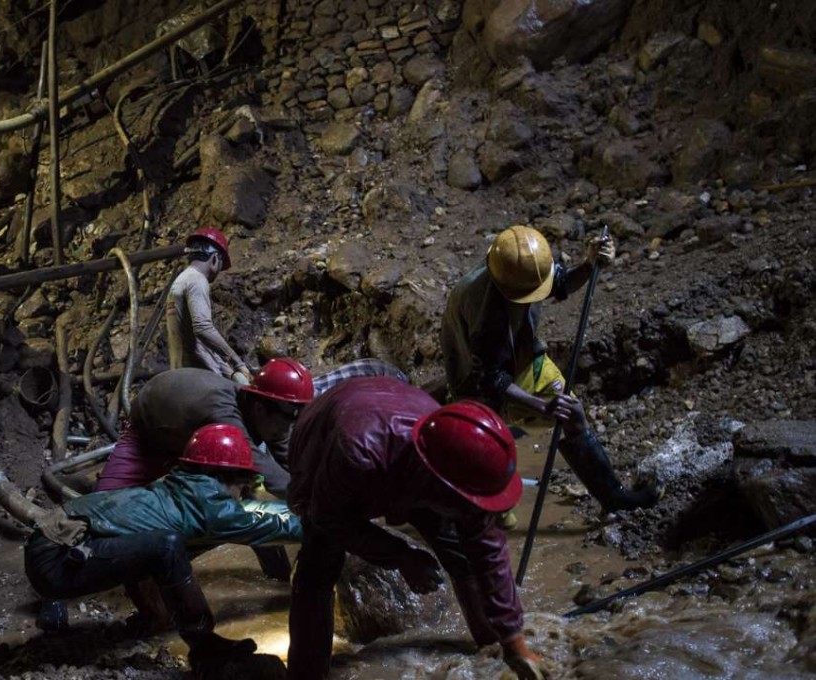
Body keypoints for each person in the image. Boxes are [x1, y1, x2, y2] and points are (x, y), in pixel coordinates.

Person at [286, 377, 548, 680]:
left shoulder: (462, 458)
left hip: (404, 443)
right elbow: (327, 518)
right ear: (444, 486)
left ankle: (490, 648)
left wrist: (514, 642)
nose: (471, 512)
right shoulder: (359, 454)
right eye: (466, 503)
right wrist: (400, 556)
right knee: (317, 566)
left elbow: (488, 550)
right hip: (329, 443)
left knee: (463, 554)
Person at [27, 424, 302, 674]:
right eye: (244, 486)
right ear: (227, 476)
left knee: (159, 544)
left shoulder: (176, 485)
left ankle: (154, 620)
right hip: (56, 560)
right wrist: (330, 522)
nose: (243, 495)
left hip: (54, 541)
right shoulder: (211, 508)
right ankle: (205, 648)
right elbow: (277, 527)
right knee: (166, 546)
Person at [441, 224, 659, 513]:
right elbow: (491, 379)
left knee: (573, 412)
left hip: (523, 360)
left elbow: (561, 282)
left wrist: (589, 264)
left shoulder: (517, 265)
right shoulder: (486, 313)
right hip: (481, 383)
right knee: (491, 500)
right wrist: (542, 407)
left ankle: (613, 497)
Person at [96, 357, 314, 497]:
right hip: (148, 433)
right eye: (287, 419)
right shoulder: (222, 413)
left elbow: (287, 456)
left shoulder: (266, 412)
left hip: (190, 436)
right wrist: (313, 501)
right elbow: (264, 468)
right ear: (260, 409)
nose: (288, 429)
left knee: (245, 499)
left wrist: (314, 481)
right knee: (105, 506)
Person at [167, 226, 252, 385]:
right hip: (199, 380)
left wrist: (231, 373)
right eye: (221, 264)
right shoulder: (197, 280)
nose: (218, 272)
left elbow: (198, 343)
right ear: (214, 259)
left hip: (181, 375)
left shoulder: (180, 280)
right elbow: (203, 328)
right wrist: (238, 363)